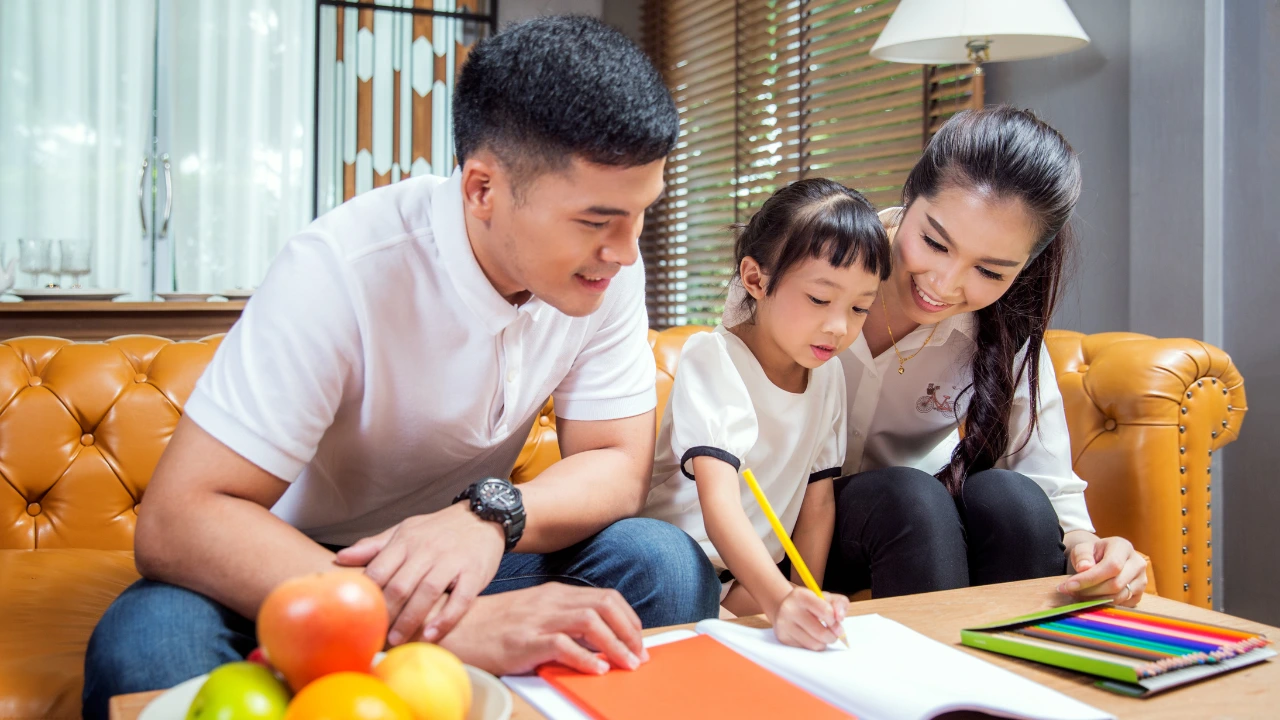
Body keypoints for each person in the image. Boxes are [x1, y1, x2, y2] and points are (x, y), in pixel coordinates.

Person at [81, 16, 721, 718]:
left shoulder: (605, 273)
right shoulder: (341, 269)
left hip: (466, 556)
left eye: (640, 216)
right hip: (305, 566)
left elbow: (613, 465)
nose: (626, 252)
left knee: (662, 563)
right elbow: (180, 520)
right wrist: (452, 629)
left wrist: (487, 517)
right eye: (597, 221)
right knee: (149, 642)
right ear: (483, 190)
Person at [818, 106, 1150, 605]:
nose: (944, 284)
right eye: (934, 242)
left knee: (1012, 501)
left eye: (990, 272)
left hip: (923, 535)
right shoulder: (806, 263)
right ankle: (929, 681)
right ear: (909, 195)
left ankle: (1022, 674)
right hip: (796, 525)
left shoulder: (1003, 327)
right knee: (909, 500)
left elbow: (1047, 483)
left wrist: (1094, 554)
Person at [642, 179, 890, 650]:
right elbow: (720, 505)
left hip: (747, 581)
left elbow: (817, 503)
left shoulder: (829, 376)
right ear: (756, 280)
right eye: (820, 299)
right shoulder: (713, 357)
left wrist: (803, 594)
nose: (839, 327)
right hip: (675, 567)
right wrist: (779, 599)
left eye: (860, 307)